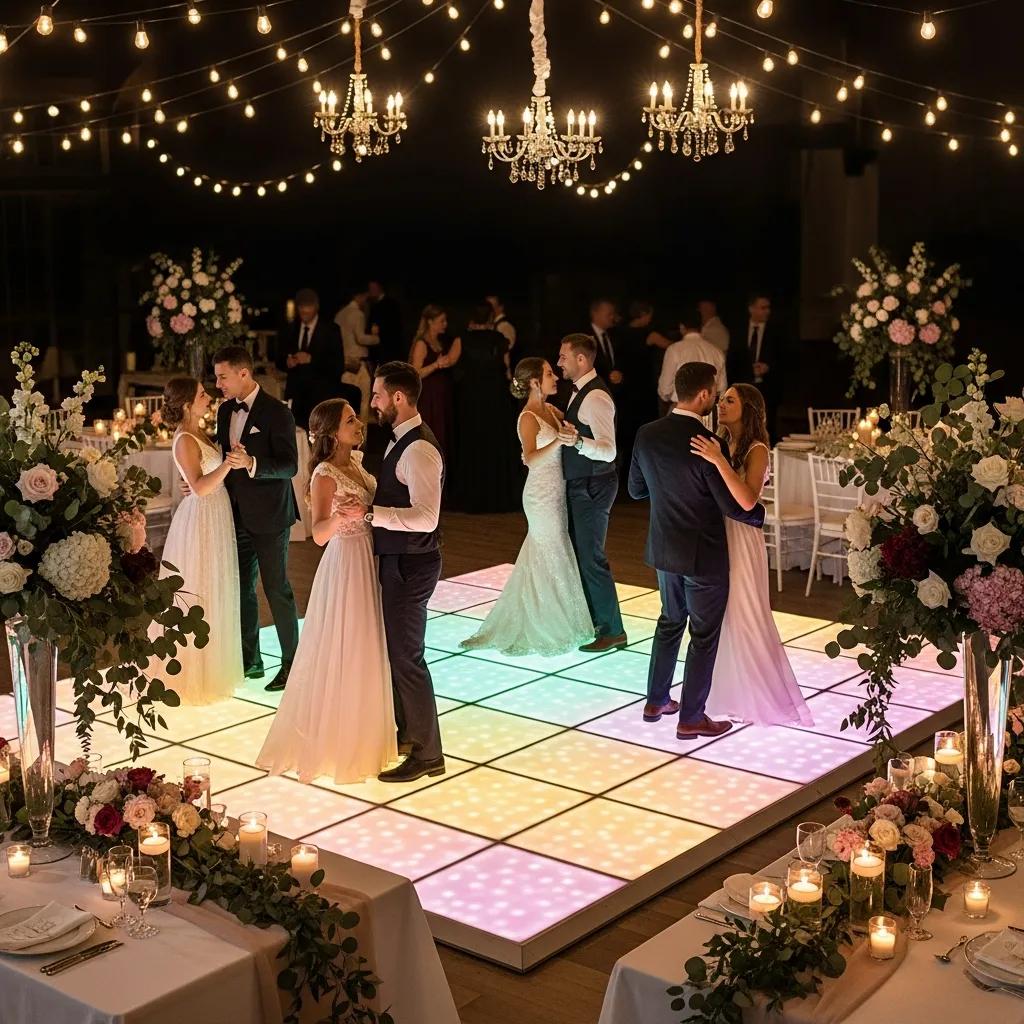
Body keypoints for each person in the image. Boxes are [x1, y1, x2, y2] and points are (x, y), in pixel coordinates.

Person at [256, 398, 398, 783]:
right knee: (346, 645)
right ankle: (338, 741)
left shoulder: (356, 462)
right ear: (333, 432)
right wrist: (342, 516)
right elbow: (318, 534)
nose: (359, 423)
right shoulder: (323, 474)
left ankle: (367, 734)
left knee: (368, 645)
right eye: (350, 419)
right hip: (346, 562)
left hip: (369, 558)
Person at [628, 362, 766, 739]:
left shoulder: (646, 433)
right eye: (716, 392)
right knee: (703, 634)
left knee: (669, 621)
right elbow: (731, 505)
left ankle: (656, 700)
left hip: (663, 549)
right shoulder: (709, 444)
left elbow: (636, 490)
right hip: (702, 554)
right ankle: (691, 717)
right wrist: (758, 517)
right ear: (704, 394)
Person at [338, 361, 445, 784]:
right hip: (401, 561)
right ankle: (407, 735)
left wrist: (370, 514)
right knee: (399, 654)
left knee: (408, 657)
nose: (374, 402)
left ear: (399, 398)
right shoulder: (400, 440)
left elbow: (427, 517)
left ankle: (428, 753)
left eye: (378, 395)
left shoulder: (418, 449)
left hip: (412, 563)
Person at [690, 385, 813, 727]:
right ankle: (723, 694)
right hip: (714, 533)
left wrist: (717, 460)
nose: (722, 404)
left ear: (749, 409)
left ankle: (759, 697)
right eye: (722, 399)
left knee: (744, 611)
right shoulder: (718, 439)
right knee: (720, 615)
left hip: (740, 536)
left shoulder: (757, 450)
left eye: (730, 400)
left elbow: (747, 500)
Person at [461, 358, 594, 656]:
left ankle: (555, 618)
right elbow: (531, 459)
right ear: (534, 381)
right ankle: (545, 622)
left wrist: (568, 433)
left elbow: (567, 427)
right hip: (540, 495)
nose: (555, 377)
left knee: (553, 549)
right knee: (549, 550)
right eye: (548, 374)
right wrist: (558, 442)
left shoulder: (549, 409)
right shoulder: (528, 417)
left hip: (557, 492)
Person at [213, 346, 300, 693]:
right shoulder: (223, 411)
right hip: (234, 514)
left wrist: (252, 465)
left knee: (276, 589)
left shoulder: (277, 412)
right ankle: (250, 660)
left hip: (270, 516)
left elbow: (290, 466)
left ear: (243, 373)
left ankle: (292, 663)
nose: (218, 383)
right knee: (241, 589)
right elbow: (222, 458)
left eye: (222, 376)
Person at [152, 377, 244, 704]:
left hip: (215, 514)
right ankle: (192, 672)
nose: (209, 397)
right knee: (199, 589)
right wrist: (229, 465)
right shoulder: (184, 439)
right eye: (203, 395)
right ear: (188, 403)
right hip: (201, 518)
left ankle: (213, 667)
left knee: (214, 586)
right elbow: (201, 486)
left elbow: (199, 480)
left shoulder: (200, 431)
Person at [556, 333, 627, 652]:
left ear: (581, 359)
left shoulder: (596, 397)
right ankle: (597, 621)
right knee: (583, 555)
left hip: (593, 485)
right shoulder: (580, 393)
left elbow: (609, 450)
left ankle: (613, 629)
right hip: (583, 483)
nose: (559, 363)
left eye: (563, 357)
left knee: (591, 557)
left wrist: (579, 443)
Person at [452, 304, 521, 513]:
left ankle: (472, 497)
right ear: (491, 318)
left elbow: (451, 362)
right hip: (495, 399)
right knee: (494, 445)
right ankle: (497, 496)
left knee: (473, 444)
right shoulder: (499, 340)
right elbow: (507, 371)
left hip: (471, 399)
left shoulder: (462, 339)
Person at [276, 288, 351, 431]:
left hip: (320, 396)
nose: (304, 311)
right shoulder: (290, 329)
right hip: (296, 397)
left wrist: (312, 359)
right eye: (301, 308)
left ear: (316, 307)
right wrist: (287, 362)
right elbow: (279, 360)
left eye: (308, 307)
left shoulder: (331, 330)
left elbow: (337, 366)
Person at [409, 304, 461, 465]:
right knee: (433, 433)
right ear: (430, 322)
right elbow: (415, 372)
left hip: (441, 397)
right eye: (441, 321)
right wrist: (436, 365)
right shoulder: (422, 343)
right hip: (429, 397)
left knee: (443, 434)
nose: (445, 324)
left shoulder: (439, 341)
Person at [730, 293, 781, 438]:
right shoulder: (738, 329)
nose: (767, 311)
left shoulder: (776, 331)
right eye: (762, 308)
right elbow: (733, 359)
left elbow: (784, 358)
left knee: (767, 428)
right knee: (742, 426)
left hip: (768, 388)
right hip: (743, 386)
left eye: (768, 308)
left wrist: (768, 367)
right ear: (751, 309)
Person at [335, 288, 379, 421]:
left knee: (343, 405)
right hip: (358, 364)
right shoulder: (358, 314)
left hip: (343, 363)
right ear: (360, 296)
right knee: (363, 403)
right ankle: (361, 439)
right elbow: (360, 338)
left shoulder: (339, 314)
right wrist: (376, 337)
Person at [658, 322, 727, 407]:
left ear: (682, 327)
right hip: (708, 412)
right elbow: (722, 390)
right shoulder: (717, 351)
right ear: (701, 327)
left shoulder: (674, 350)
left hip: (681, 410)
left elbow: (665, 390)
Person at [367, 278, 404, 367]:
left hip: (389, 349)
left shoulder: (391, 304)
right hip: (379, 350)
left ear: (380, 288)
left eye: (373, 288)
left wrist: (379, 330)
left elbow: (395, 327)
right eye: (370, 288)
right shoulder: (372, 305)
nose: (371, 291)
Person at [587, 298, 622, 386]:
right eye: (609, 314)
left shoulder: (615, 334)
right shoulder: (584, 337)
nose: (612, 317)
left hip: (615, 392)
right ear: (595, 314)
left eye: (613, 314)